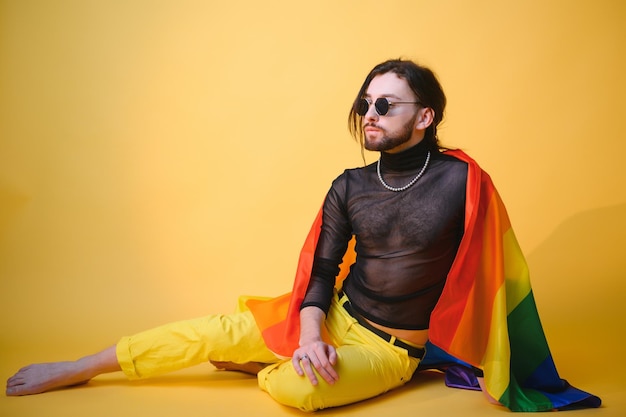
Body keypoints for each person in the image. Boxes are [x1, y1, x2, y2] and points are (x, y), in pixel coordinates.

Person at [4, 59, 600, 412]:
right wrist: (310, 332)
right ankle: (78, 367)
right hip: (330, 317)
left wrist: (475, 348)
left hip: (389, 351)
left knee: (302, 392)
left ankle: (264, 359)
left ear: (425, 117)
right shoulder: (348, 186)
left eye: (386, 104)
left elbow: (496, 272)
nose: (370, 113)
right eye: (366, 102)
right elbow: (320, 273)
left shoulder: (464, 183)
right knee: (204, 329)